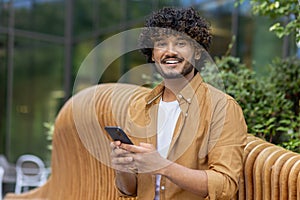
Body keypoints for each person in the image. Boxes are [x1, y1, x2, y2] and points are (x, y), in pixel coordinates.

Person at [110, 7, 247, 200]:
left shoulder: (222, 107)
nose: (170, 52)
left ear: (197, 52)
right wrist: (122, 168)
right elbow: (129, 190)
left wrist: (162, 166)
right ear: (152, 54)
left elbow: (225, 186)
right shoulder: (140, 107)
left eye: (181, 43)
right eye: (161, 44)